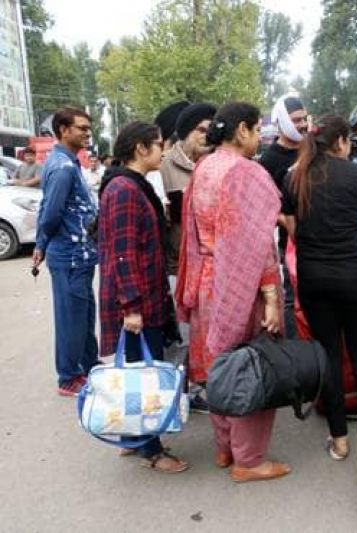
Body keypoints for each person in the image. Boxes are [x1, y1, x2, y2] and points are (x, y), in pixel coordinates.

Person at [176, 102, 290, 483]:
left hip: (207, 282)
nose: (260, 139)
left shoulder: (203, 167)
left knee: (219, 367)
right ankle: (249, 459)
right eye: (258, 130)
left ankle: (224, 448)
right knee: (251, 368)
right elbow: (256, 246)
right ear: (242, 130)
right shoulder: (246, 172)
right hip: (240, 285)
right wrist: (272, 297)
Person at [283, 115, 357, 461]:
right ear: (340, 142)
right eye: (349, 140)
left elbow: (293, 232)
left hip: (314, 279)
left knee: (330, 356)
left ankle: (340, 439)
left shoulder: (295, 180)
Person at [97, 121, 188, 473]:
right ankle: (151, 449)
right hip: (137, 304)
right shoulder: (124, 189)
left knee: (136, 370)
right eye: (158, 145)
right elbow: (122, 254)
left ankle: (132, 438)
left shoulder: (132, 185)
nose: (162, 151)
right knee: (144, 375)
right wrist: (132, 308)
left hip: (142, 298)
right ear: (140, 148)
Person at [33, 107, 100, 396]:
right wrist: (42, 243)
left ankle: (88, 366)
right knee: (71, 318)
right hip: (70, 256)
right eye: (81, 128)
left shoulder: (68, 163)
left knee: (84, 315)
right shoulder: (62, 167)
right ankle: (69, 377)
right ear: (63, 130)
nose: (87, 133)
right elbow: (50, 213)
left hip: (81, 255)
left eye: (88, 128)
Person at [258, 95, 309, 340]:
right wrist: (289, 221)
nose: (302, 124)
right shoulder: (269, 160)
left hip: (319, 239)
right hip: (290, 243)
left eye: (304, 118)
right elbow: (266, 209)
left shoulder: (311, 150)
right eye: (296, 120)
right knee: (292, 296)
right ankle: (295, 351)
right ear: (282, 121)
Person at [160, 102, 217, 275]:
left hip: (215, 265)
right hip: (179, 268)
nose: (207, 136)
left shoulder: (221, 165)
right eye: (201, 130)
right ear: (186, 132)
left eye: (211, 131)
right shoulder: (163, 166)